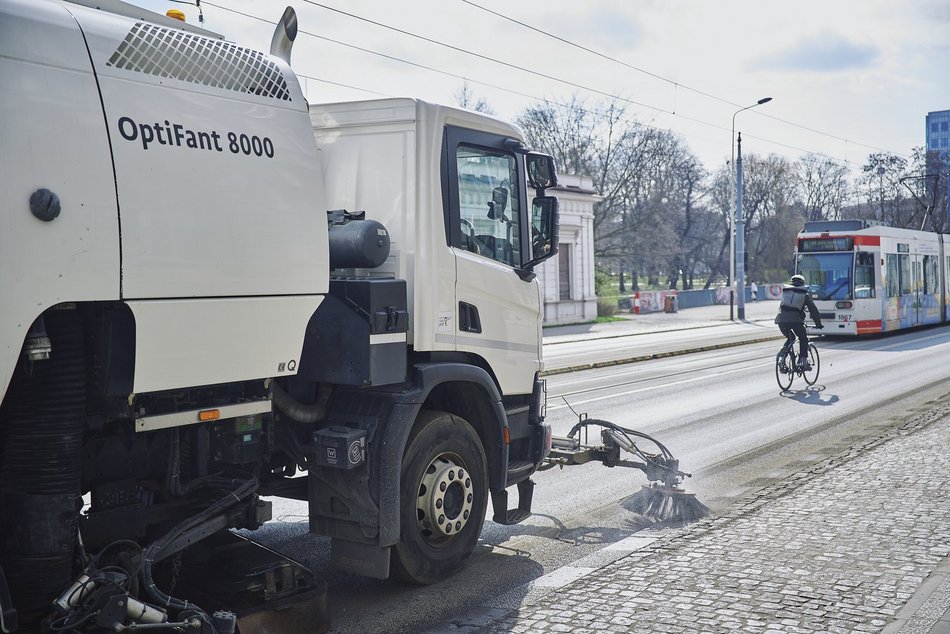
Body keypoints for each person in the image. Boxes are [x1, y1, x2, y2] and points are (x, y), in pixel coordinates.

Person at [775, 274, 823, 369]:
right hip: (796, 321)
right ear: (802, 284)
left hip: (781, 321)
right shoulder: (804, 294)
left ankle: (782, 357)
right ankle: (804, 362)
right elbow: (813, 310)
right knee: (803, 338)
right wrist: (818, 324)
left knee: (791, 338)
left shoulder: (786, 292)